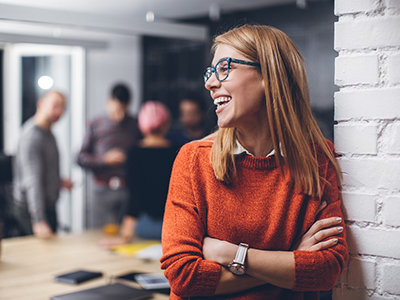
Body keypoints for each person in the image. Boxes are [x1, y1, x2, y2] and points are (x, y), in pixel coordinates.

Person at [160, 24, 348, 299]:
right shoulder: (194, 159)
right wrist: (290, 259)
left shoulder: (318, 159)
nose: (210, 83)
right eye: (211, 72)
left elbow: (327, 270)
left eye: (224, 67)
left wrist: (232, 255)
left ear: (269, 76)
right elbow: (184, 276)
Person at [100, 101, 180, 248]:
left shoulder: (134, 153)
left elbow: (134, 197)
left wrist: (125, 236)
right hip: (175, 227)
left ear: (141, 124)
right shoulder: (178, 151)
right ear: (166, 123)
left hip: (145, 227)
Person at [77, 83, 141, 229]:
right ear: (108, 102)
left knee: (127, 235)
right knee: (97, 234)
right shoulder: (95, 123)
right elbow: (80, 158)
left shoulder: (134, 124)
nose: (121, 115)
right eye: (117, 109)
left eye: (124, 109)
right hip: (102, 189)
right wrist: (104, 159)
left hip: (127, 189)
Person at [13, 91, 73, 239]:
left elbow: (42, 171)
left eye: (63, 107)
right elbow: (33, 181)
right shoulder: (32, 137)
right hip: (32, 209)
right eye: (55, 106)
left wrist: (57, 182)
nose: (59, 111)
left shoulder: (49, 133)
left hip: (47, 205)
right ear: (41, 104)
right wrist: (39, 220)